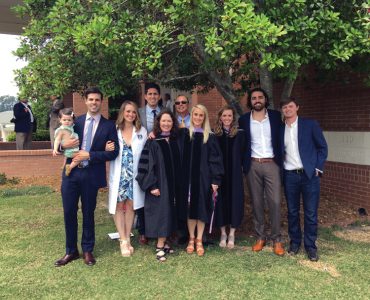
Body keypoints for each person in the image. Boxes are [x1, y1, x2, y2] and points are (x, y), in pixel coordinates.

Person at [54, 87, 119, 267]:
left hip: (91, 174)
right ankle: (71, 251)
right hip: (71, 173)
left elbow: (114, 153)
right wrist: (62, 146)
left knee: (88, 213)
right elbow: (61, 142)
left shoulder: (108, 126)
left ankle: (87, 249)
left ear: (101, 102)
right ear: (86, 101)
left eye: (97, 100)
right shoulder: (76, 122)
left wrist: (90, 155)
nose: (94, 103)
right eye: (91, 99)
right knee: (69, 212)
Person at [280, 97, 328, 261]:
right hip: (290, 175)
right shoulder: (280, 129)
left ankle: (310, 246)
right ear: (282, 110)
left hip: (309, 176)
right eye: (285, 107)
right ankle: (295, 243)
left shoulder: (310, 125)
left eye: (290, 106)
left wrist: (318, 168)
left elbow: (322, 147)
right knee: (292, 212)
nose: (288, 109)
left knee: (310, 213)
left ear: (297, 107)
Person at [238, 87, 284, 256]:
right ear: (250, 101)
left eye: (260, 97)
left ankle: (277, 239)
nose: (257, 100)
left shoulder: (275, 116)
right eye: (254, 98)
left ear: (265, 99)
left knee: (275, 201)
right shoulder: (243, 120)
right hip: (253, 165)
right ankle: (260, 237)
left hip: (272, 163)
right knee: (256, 202)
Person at [136, 110, 182, 262]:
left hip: (174, 185)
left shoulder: (176, 140)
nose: (166, 124)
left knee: (171, 212)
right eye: (163, 121)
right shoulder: (153, 141)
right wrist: (152, 185)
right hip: (160, 184)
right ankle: (159, 245)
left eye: (169, 121)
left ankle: (167, 242)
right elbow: (146, 165)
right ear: (158, 123)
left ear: (173, 123)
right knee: (162, 213)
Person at [182, 104, 224, 257]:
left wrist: (215, 180)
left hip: (204, 179)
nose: (198, 118)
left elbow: (215, 160)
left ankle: (199, 239)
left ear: (204, 117)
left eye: (201, 115)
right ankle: (191, 238)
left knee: (201, 208)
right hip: (188, 179)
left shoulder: (209, 136)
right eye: (196, 115)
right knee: (190, 209)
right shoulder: (185, 134)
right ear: (191, 116)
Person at [107, 101, 147, 257]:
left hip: (134, 176)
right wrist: (105, 147)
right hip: (119, 174)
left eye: (134, 112)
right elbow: (106, 146)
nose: (131, 114)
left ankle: (128, 236)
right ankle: (123, 239)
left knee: (131, 206)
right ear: (123, 112)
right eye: (128, 111)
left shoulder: (141, 131)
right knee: (118, 206)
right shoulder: (114, 130)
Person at [214, 105, 245, 249]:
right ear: (220, 117)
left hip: (235, 174)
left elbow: (244, 154)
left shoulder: (239, 134)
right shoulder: (215, 135)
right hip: (219, 174)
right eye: (224, 115)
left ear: (233, 118)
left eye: (229, 116)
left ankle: (232, 233)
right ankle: (223, 233)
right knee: (220, 201)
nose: (227, 118)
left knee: (235, 201)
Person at [137, 82, 164, 245]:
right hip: (142, 156)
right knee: (142, 192)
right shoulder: (138, 113)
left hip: (160, 158)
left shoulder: (165, 113)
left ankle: (159, 227)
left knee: (159, 193)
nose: (153, 97)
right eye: (150, 94)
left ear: (159, 96)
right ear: (145, 96)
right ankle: (143, 230)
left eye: (156, 94)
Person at [52, 108, 80, 176]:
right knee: (80, 156)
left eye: (69, 120)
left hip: (69, 150)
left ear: (73, 120)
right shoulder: (61, 130)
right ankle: (70, 167)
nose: (67, 122)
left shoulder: (70, 127)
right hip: (71, 150)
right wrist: (55, 149)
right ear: (60, 120)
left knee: (66, 157)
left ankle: (64, 165)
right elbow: (57, 140)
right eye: (64, 120)